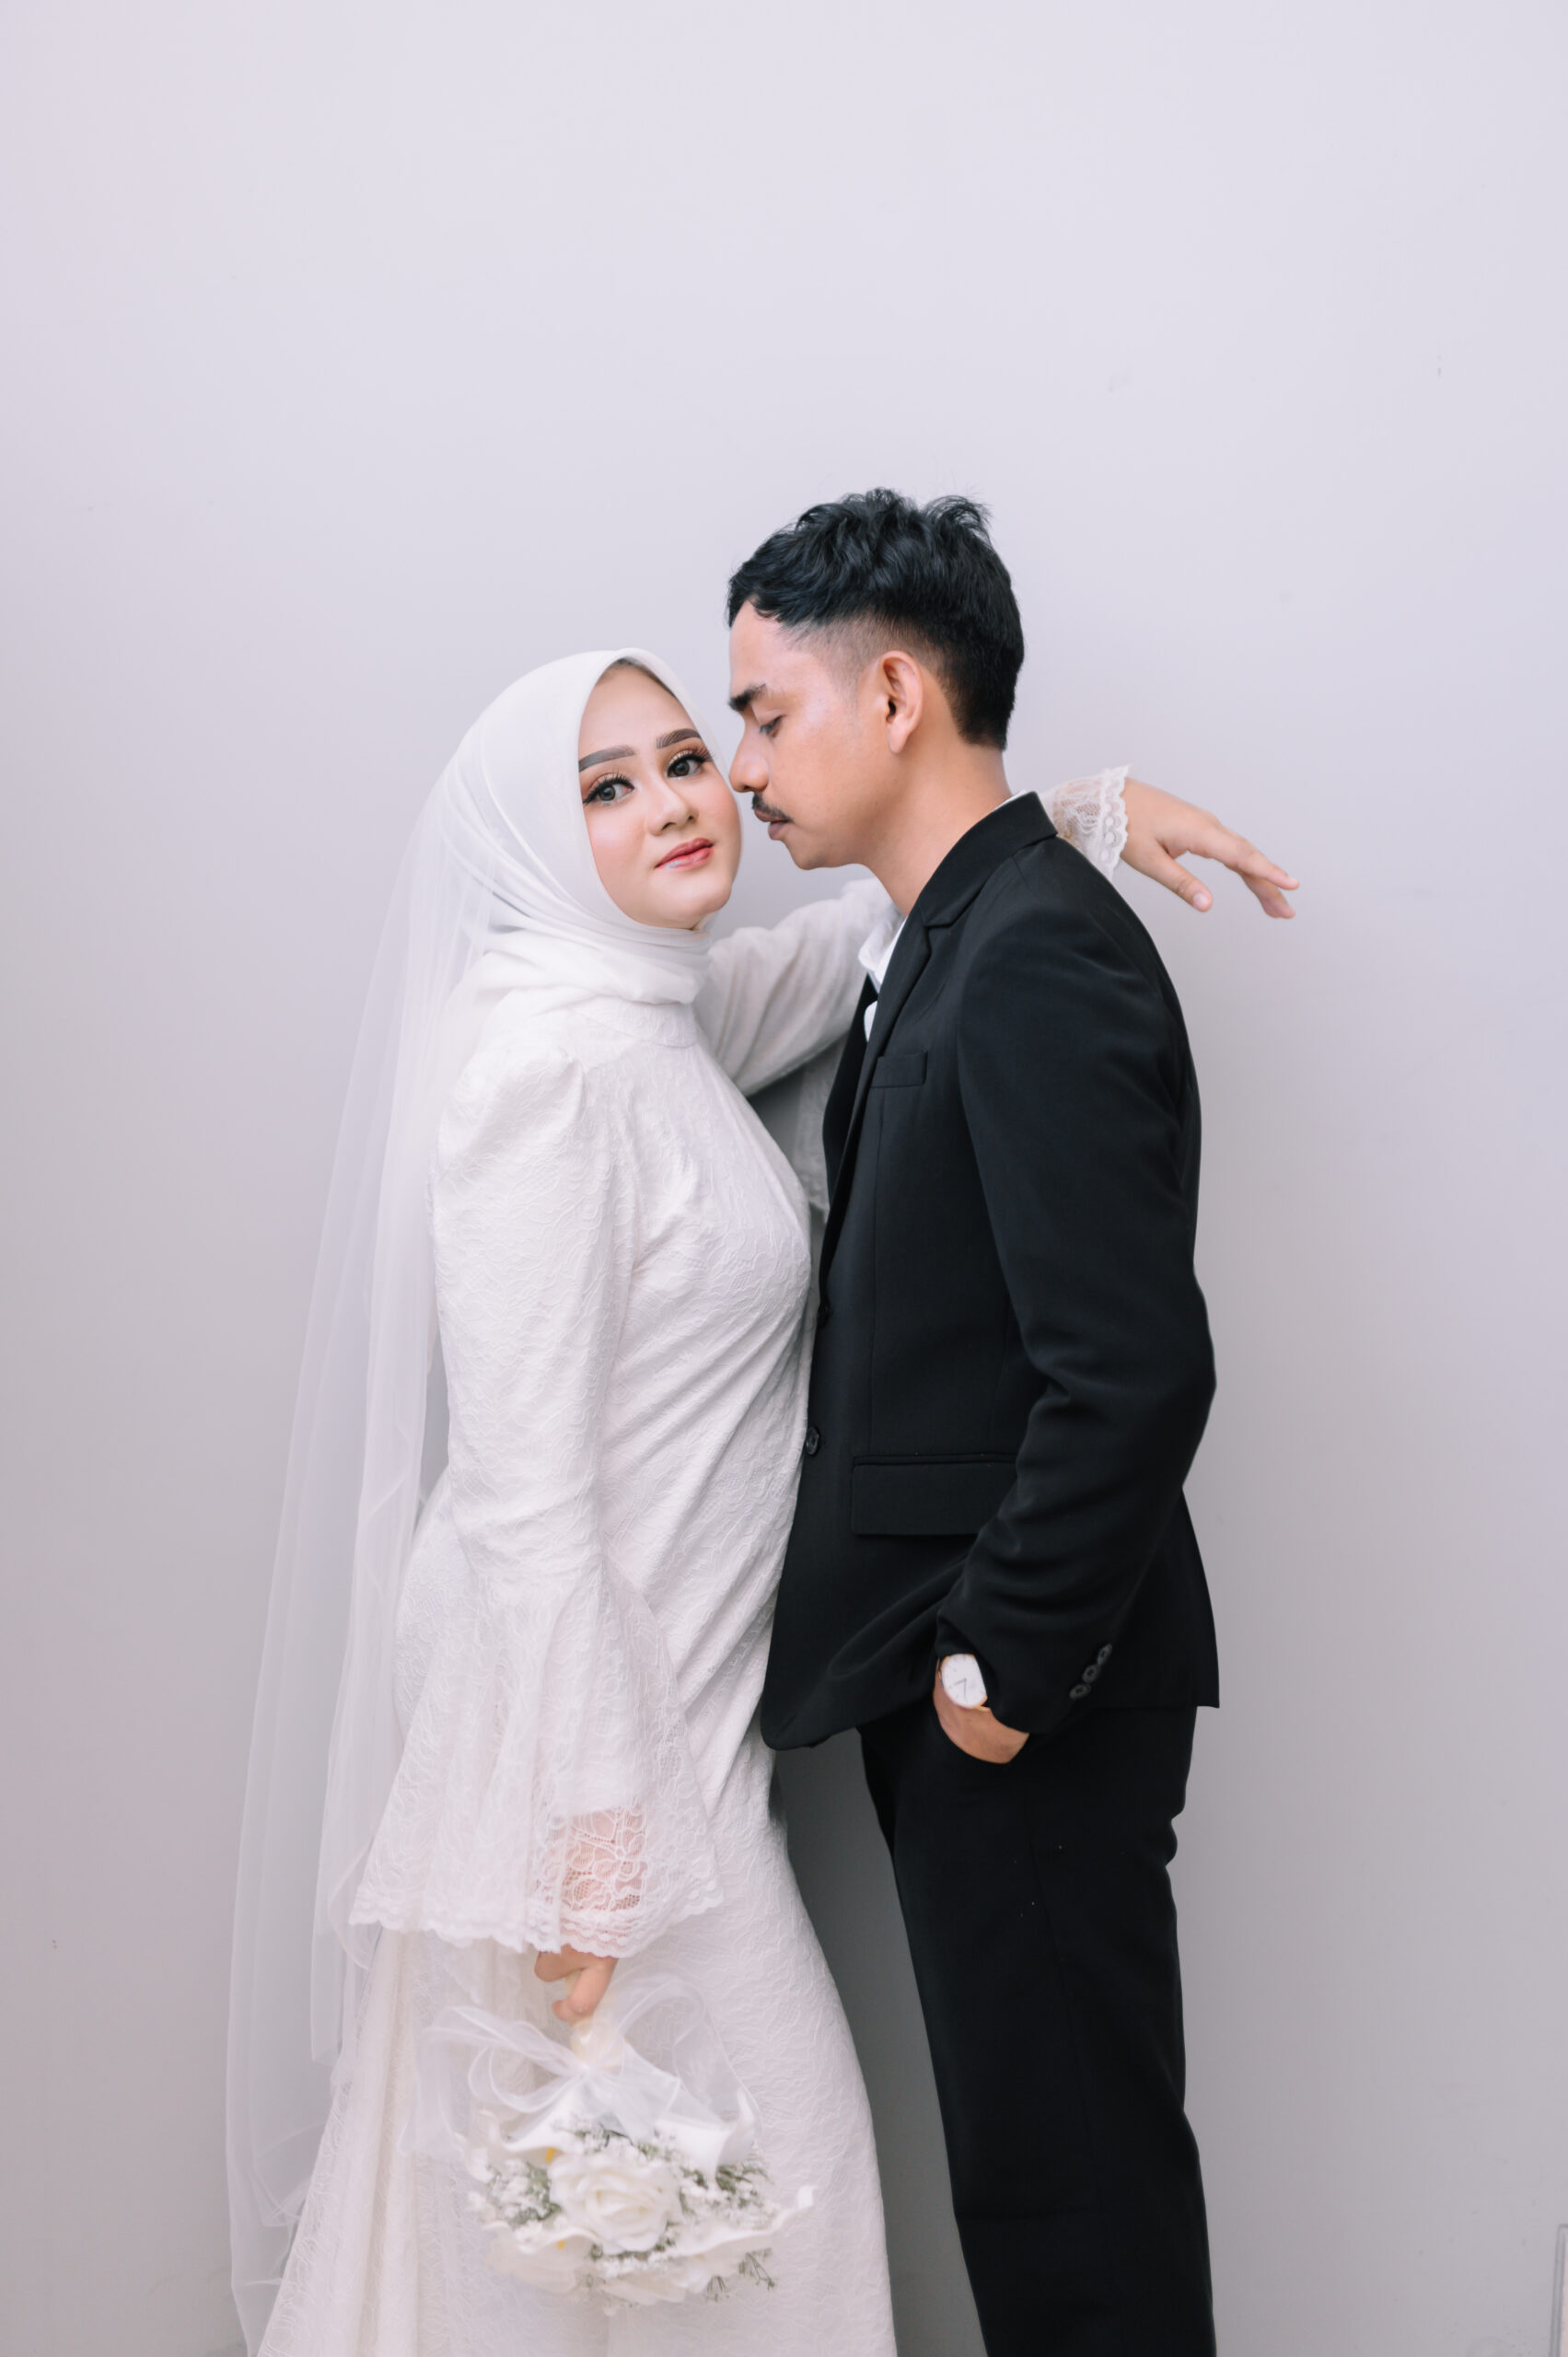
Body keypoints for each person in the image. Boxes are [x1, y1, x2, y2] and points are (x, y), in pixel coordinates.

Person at [227, 635, 1288, 2354]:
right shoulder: (542, 1072)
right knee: (710, 2206)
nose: (683, 796)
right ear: (533, 841)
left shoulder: (660, 1010)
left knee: (676, 2233)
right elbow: (522, 1507)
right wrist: (586, 1843)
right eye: (607, 786)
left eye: (685, 755)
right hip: (599, 1749)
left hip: (695, 1729)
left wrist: (1077, 812)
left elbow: (870, 931)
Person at [731, 490, 1288, 2357]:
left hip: (1029, 1698)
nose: (745, 770)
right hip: (973, 1689)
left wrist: (998, 1674)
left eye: (766, 714)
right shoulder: (967, 922)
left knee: (1075, 2212)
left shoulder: (1032, 947)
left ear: (894, 695)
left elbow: (1130, 1365)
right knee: (1044, 2193)